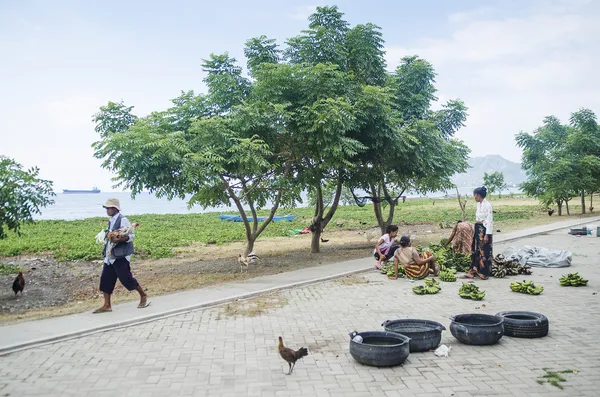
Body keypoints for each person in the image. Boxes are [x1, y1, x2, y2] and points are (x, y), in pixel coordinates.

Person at [94, 198, 149, 313]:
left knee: (126, 279)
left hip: (120, 256)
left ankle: (143, 295)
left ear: (115, 209)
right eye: (106, 208)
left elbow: (131, 236)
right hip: (110, 256)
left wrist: (119, 239)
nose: (107, 210)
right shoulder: (111, 221)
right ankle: (107, 305)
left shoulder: (123, 220)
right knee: (106, 280)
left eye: (108, 208)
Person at [466, 186, 493, 280]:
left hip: (484, 230)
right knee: (476, 249)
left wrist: (487, 235)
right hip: (478, 228)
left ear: (478, 195)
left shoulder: (487, 205)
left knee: (484, 251)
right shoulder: (479, 204)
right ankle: (474, 269)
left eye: (475, 195)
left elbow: (489, 220)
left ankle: (484, 272)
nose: (474, 197)